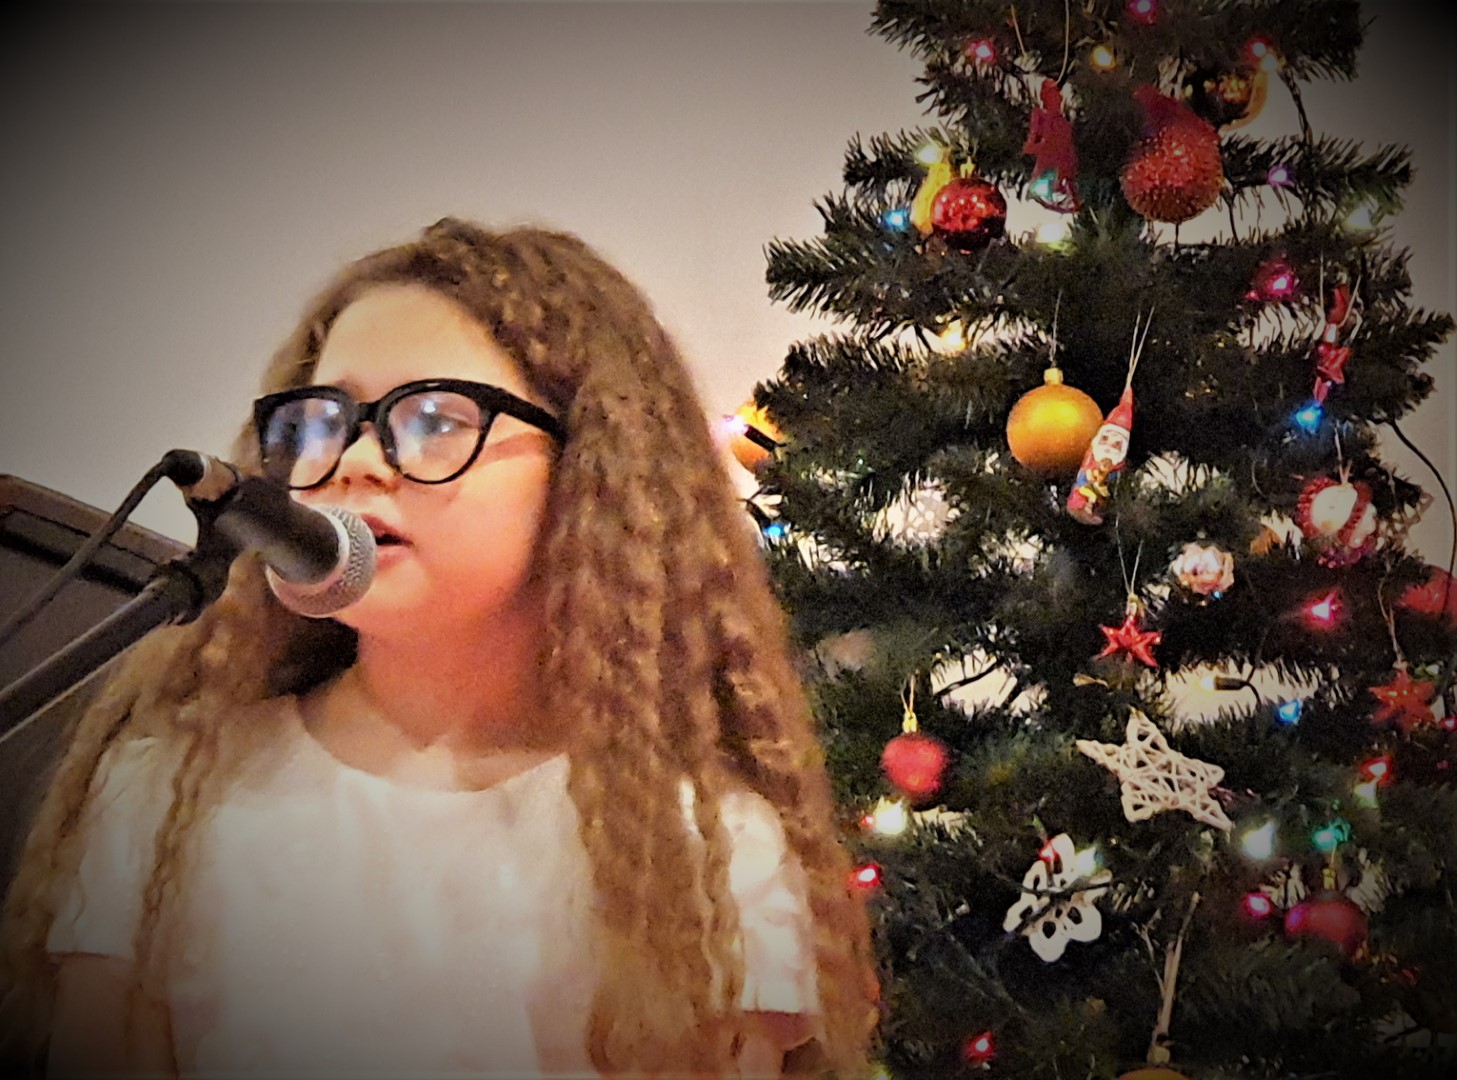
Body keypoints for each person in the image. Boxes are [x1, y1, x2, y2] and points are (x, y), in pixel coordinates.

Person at [0, 219, 880, 1077]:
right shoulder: (171, 788)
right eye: (323, 421)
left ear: (589, 476)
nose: (355, 461)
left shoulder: (706, 851)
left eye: (433, 419)